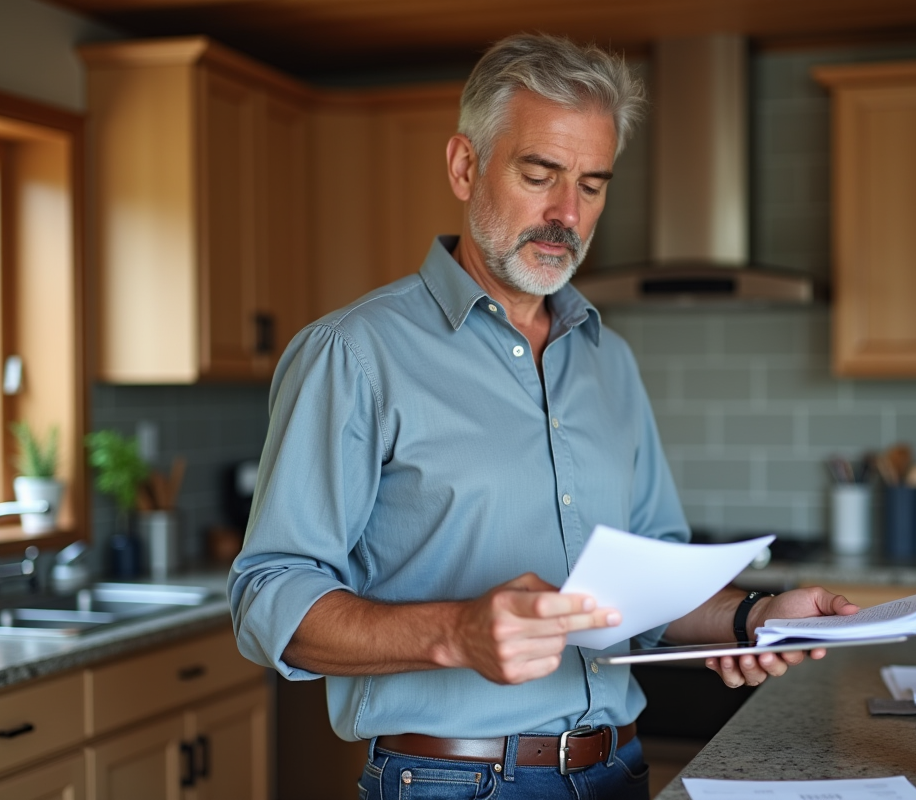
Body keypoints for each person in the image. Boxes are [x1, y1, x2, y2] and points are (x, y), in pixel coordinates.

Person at [229, 32, 859, 798]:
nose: (567, 214)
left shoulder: (607, 359)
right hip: (452, 779)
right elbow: (267, 596)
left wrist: (756, 617)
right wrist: (455, 633)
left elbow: (648, 586)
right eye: (539, 175)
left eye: (592, 185)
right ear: (464, 166)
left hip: (617, 771)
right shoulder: (354, 353)